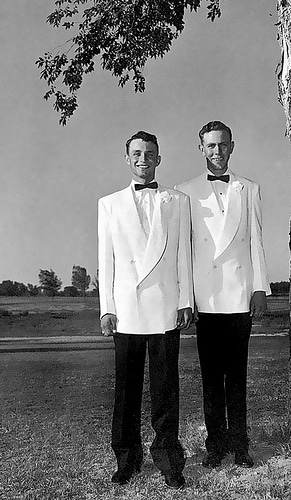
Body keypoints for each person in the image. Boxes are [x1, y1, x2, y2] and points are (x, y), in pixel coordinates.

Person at [98, 131, 193, 489]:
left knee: (166, 391)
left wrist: (186, 300)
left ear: (158, 159)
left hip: (165, 308)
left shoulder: (177, 201)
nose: (143, 159)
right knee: (126, 392)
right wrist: (107, 307)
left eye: (149, 154)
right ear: (127, 159)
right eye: (136, 153)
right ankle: (127, 459)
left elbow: (183, 254)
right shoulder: (108, 204)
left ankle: (169, 460)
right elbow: (104, 262)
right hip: (126, 312)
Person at [176, 120, 271, 469]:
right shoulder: (184, 191)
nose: (217, 152)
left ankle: (240, 443)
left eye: (223, 145)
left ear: (232, 146)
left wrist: (260, 288)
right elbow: (183, 251)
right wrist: (186, 298)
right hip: (206, 299)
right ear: (201, 148)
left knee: (238, 376)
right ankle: (215, 443)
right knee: (210, 378)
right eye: (210, 146)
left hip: (238, 295)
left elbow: (255, 241)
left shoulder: (249, 188)